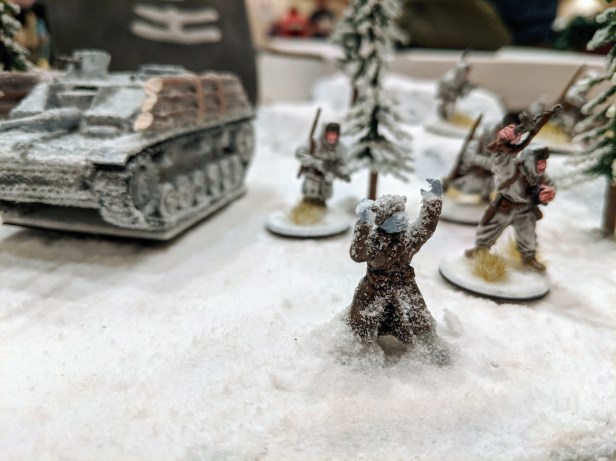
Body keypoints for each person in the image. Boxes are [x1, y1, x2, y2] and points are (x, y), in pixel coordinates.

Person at [348, 181, 442, 344]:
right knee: (362, 327)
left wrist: (433, 200)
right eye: (394, 215)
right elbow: (358, 255)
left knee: (418, 321)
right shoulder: (374, 242)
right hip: (374, 290)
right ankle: (361, 349)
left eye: (401, 212)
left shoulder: (409, 238)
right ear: (383, 221)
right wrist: (363, 224)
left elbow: (426, 227)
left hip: (405, 288)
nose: (401, 218)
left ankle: (426, 346)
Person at [465, 124, 557, 272]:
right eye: (539, 162)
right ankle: (480, 249)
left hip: (525, 211)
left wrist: (549, 193)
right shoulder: (509, 169)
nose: (542, 166)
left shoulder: (540, 176)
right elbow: (499, 159)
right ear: (528, 160)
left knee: (528, 236)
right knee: (489, 230)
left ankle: (529, 258)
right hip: (504, 207)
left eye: (544, 162)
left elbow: (550, 185)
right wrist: (503, 142)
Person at [296, 122, 350, 207]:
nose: (332, 137)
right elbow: (299, 153)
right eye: (329, 134)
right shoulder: (314, 143)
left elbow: (344, 165)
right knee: (306, 206)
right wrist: (317, 163)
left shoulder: (341, 148)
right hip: (311, 181)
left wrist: (334, 174)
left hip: (325, 187)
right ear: (325, 133)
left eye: (334, 135)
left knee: (322, 209)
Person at [436, 54, 474, 120]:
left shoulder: (464, 80)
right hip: (447, 96)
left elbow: (463, 91)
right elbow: (443, 87)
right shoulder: (449, 78)